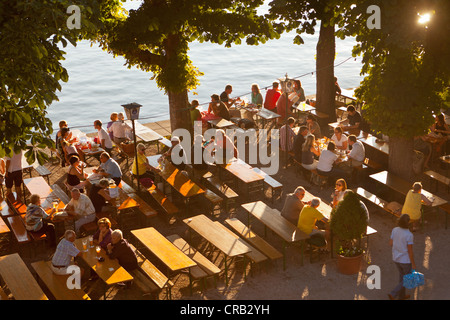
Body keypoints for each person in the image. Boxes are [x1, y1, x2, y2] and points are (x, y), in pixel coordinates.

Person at [388, 214, 416, 300]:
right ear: (407, 223)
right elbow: (410, 251)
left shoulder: (395, 230)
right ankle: (393, 293)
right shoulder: (409, 235)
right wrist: (413, 263)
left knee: (402, 277)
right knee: (406, 279)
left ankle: (401, 296)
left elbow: (390, 243)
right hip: (405, 260)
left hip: (396, 258)